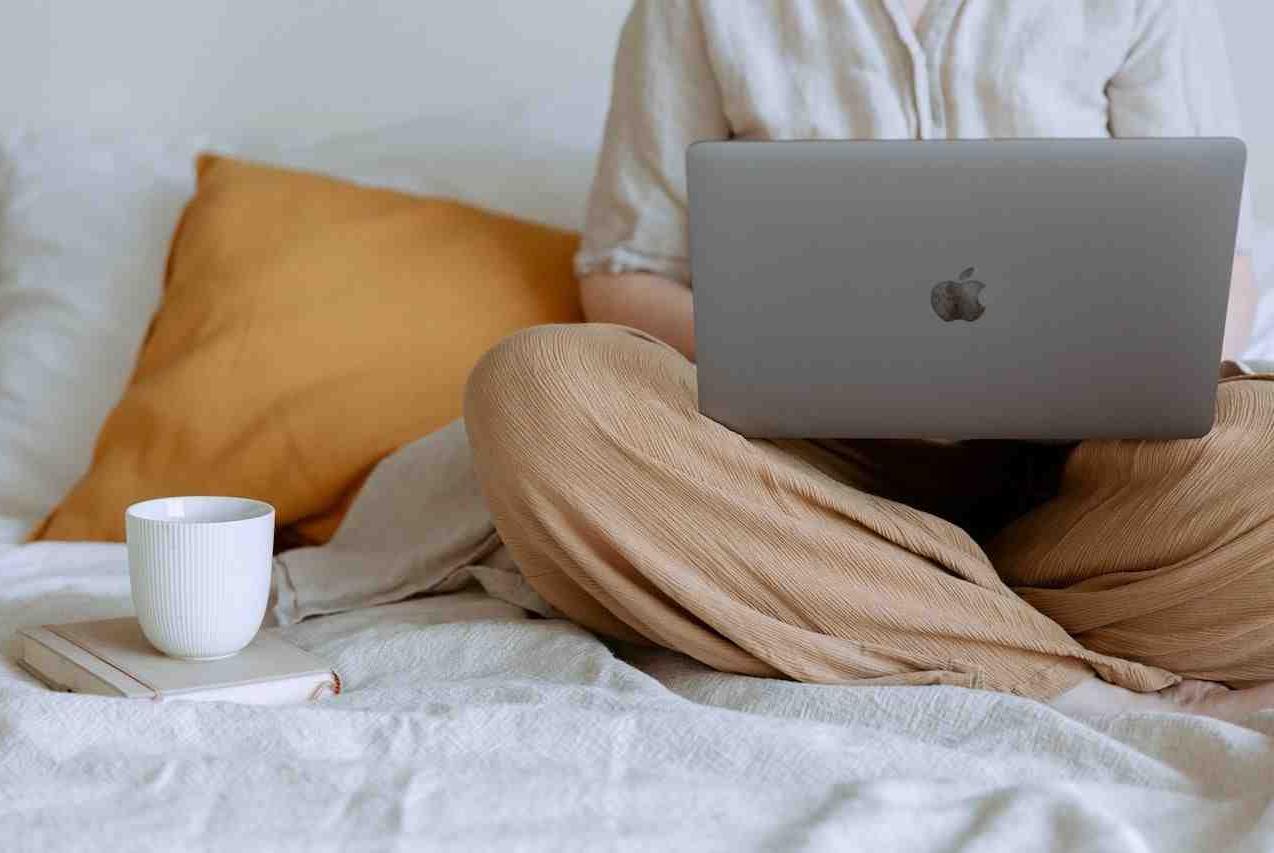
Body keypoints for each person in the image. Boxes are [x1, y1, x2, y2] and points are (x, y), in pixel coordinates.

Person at [465, 0, 1274, 722]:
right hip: (799, 475)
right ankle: (1048, 666)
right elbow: (626, 272)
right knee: (538, 390)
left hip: (1091, 492)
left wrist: (1146, 370)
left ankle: (862, 600)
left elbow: (1217, 264)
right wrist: (810, 356)